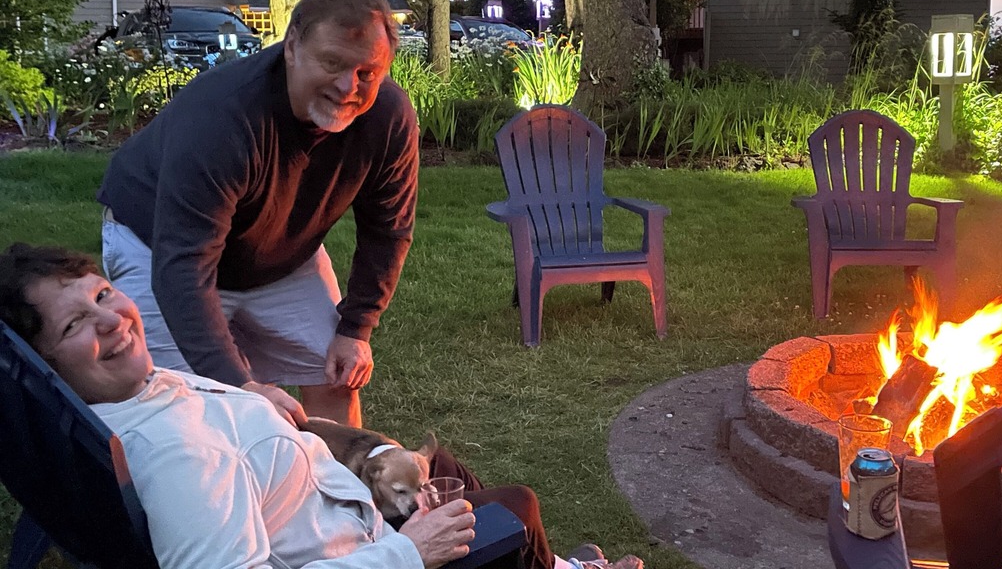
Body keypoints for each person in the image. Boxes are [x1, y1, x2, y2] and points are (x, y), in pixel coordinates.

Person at [0, 243, 643, 569]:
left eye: (104, 294)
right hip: (355, 547)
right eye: (74, 325)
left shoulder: (117, 400)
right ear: (48, 362)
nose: (112, 321)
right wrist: (406, 552)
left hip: (331, 509)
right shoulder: (181, 458)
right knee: (514, 508)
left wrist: (245, 396)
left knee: (438, 464)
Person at [97, 0, 418, 427]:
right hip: (158, 245)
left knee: (336, 373)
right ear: (291, 48)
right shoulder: (223, 118)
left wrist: (356, 328)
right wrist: (240, 385)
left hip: (280, 254)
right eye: (332, 63)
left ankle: (341, 492)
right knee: (185, 407)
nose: (349, 86)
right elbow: (184, 266)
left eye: (368, 72)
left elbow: (389, 230)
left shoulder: (387, 117)